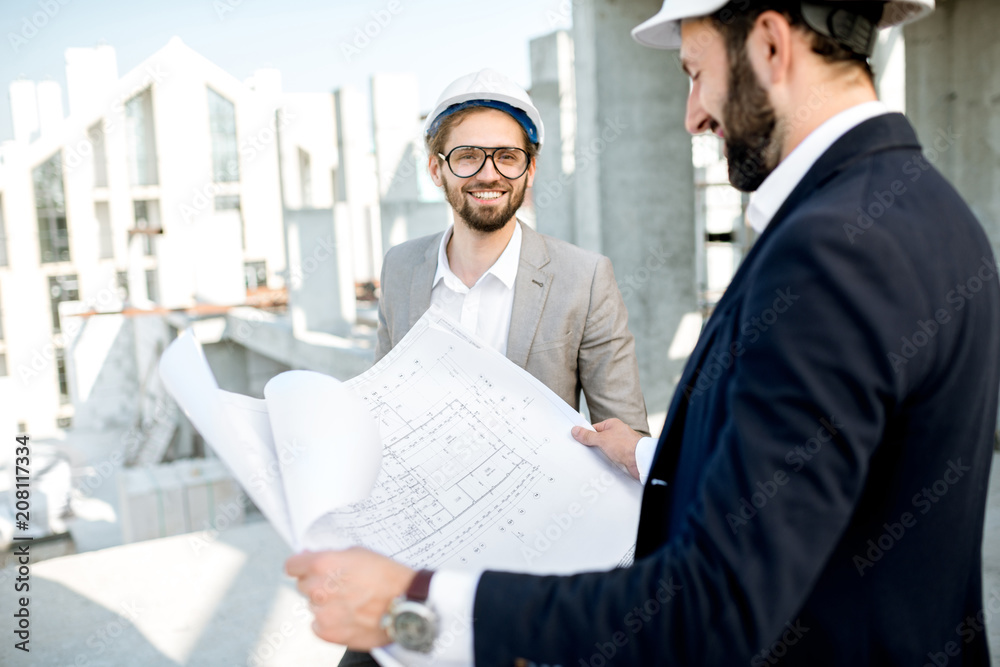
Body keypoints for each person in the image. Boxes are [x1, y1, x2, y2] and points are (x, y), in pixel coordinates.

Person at [288, 0, 1000, 664]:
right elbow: (831, 469)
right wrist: (654, 451)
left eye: (695, 74)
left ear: (772, 43)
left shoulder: (832, 250)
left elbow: (714, 606)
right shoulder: (936, 214)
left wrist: (415, 602)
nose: (693, 116)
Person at [335, 69, 648, 666]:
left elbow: (625, 444)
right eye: (468, 156)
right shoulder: (401, 268)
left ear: (529, 171)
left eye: (507, 157)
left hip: (526, 563)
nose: (489, 174)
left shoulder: (584, 277)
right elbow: (378, 407)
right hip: (417, 553)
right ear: (437, 168)